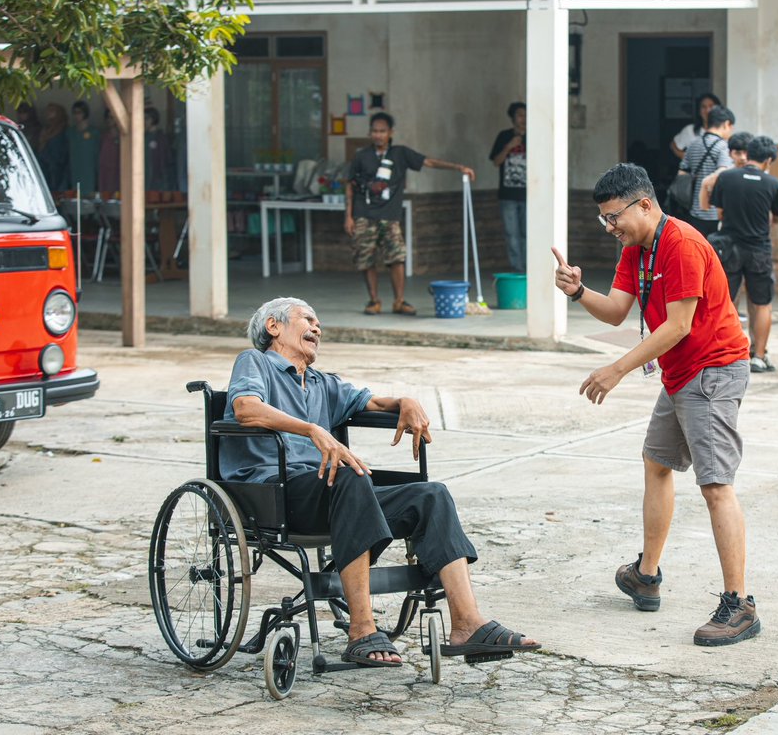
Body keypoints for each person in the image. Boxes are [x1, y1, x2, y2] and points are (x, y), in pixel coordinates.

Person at [220, 297, 541, 666]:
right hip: (274, 491)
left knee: (431, 496)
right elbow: (245, 408)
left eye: (319, 322)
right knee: (350, 472)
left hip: (332, 492)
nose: (317, 328)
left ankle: (467, 623)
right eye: (307, 318)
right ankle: (361, 628)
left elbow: (374, 404)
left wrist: (406, 401)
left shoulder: (323, 383)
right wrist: (312, 430)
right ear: (274, 327)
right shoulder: (255, 362)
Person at [551, 163, 760, 648]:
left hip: (714, 370)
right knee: (658, 462)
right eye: (604, 219)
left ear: (644, 204)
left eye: (614, 216)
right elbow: (619, 309)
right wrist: (579, 291)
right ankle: (646, 575)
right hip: (680, 371)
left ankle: (740, 605)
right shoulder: (636, 248)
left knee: (716, 486)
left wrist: (617, 369)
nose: (610, 227)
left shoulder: (681, 243)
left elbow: (678, 325)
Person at [345, 112, 475, 316]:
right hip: (364, 215)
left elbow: (429, 162)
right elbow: (350, 185)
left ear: (390, 133)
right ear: (370, 133)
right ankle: (374, 300)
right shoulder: (362, 156)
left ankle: (399, 301)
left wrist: (458, 168)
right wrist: (349, 216)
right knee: (365, 259)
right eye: (374, 131)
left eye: (382, 131)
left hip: (390, 216)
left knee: (397, 257)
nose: (378, 135)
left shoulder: (400, 153)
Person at [708, 135, 778, 373]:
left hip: (729, 247)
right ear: (769, 160)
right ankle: (759, 356)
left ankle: (727, 351)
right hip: (758, 250)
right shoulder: (773, 184)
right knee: (762, 303)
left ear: (748, 153)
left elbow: (719, 213)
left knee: (727, 302)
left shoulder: (726, 178)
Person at [677, 105, 736, 237]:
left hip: (694, 211)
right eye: (731, 127)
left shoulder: (693, 144)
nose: (731, 131)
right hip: (716, 212)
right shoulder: (724, 147)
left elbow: (682, 173)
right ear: (726, 124)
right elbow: (722, 173)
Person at [489, 102, 527, 273]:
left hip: (529, 195)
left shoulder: (535, 135)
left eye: (526, 115)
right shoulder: (504, 136)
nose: (523, 119)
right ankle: (517, 268)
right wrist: (509, 147)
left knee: (528, 234)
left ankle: (529, 268)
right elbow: (496, 162)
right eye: (520, 115)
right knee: (512, 234)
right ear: (512, 118)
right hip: (508, 194)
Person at [670, 92, 722, 161]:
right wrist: (686, 159)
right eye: (703, 107)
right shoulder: (690, 130)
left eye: (711, 106)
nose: (707, 110)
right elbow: (673, 145)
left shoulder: (724, 130)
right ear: (699, 111)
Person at [36, 103, 71, 195]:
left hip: (58, 168)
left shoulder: (62, 130)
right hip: (46, 166)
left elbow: (63, 152)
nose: (48, 113)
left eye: (51, 111)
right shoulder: (46, 129)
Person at [67, 100, 99, 196]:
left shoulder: (94, 133)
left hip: (89, 172)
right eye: (74, 113)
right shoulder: (70, 132)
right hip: (74, 171)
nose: (76, 116)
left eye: (79, 112)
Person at [144, 107, 173, 191]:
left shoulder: (161, 138)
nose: (144, 122)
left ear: (153, 119)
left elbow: (166, 161)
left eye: (146, 119)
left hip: (158, 181)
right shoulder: (143, 137)